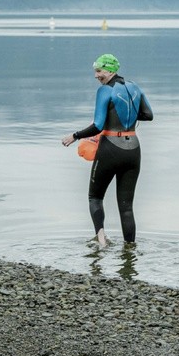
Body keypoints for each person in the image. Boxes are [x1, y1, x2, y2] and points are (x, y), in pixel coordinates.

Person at [61, 54, 153, 247]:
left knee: (95, 197)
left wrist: (75, 136)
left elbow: (97, 125)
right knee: (126, 207)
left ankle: (101, 240)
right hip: (133, 149)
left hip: (110, 148)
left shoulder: (105, 91)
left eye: (99, 71)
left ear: (111, 70)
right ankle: (130, 248)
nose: (96, 76)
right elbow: (148, 115)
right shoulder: (135, 87)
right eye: (95, 71)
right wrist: (126, 117)